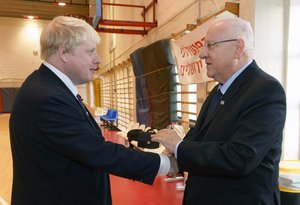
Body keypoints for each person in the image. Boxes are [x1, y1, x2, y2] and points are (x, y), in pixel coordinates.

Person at [9, 16, 172, 205]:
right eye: (90, 51)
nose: (98, 59)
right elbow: (97, 151)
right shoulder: (47, 97)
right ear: (64, 53)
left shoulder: (47, 87)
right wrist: (165, 163)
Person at [152, 17, 286, 205]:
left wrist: (180, 147)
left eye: (211, 45)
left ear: (238, 48)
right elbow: (199, 136)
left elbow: (241, 157)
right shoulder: (219, 90)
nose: (201, 54)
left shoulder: (266, 90)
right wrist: (176, 159)